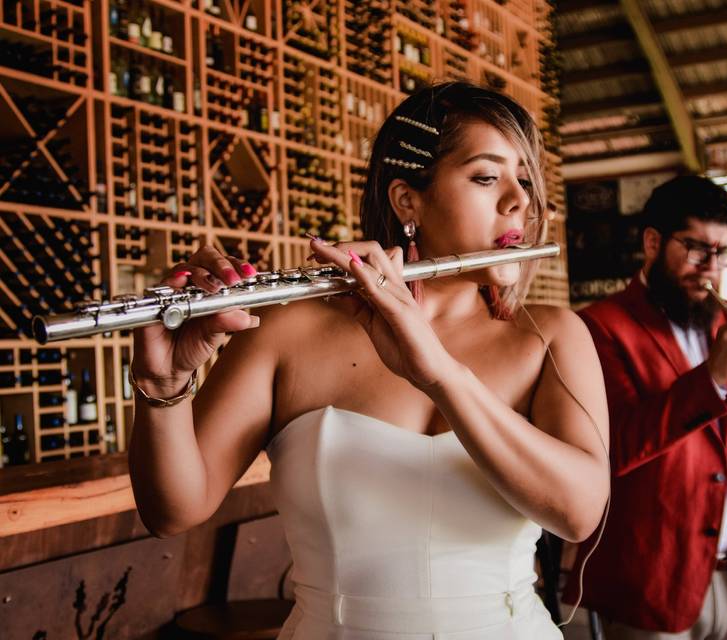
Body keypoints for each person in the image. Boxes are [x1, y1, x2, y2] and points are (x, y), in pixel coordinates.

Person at [128, 81, 609, 639]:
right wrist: (162, 382)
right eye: (486, 177)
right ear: (408, 200)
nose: (521, 203)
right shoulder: (286, 330)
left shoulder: (553, 336)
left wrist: (438, 372)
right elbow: (172, 513)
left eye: (525, 181)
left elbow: (577, 513)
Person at [562, 175, 727, 640]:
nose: (711, 267)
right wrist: (712, 376)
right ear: (653, 243)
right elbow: (614, 448)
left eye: (722, 253)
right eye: (696, 249)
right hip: (653, 581)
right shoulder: (597, 327)